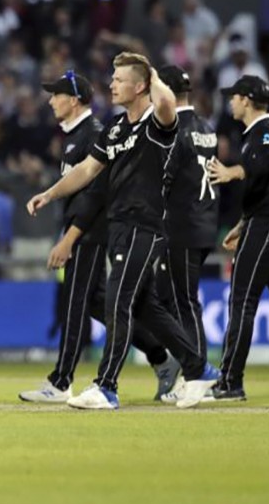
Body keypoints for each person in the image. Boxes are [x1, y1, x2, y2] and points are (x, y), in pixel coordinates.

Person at [27, 52, 218, 410]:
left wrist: (149, 68)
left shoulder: (159, 125)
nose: (111, 84)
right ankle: (199, 368)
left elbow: (165, 102)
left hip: (145, 226)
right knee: (145, 306)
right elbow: (86, 171)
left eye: (119, 79)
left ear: (140, 85)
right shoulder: (115, 127)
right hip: (120, 226)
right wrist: (49, 193)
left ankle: (106, 385)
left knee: (118, 301)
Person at [206, 75, 269, 404]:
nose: (230, 101)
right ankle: (230, 380)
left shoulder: (265, 134)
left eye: (234, 96)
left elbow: (263, 166)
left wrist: (232, 172)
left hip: (268, 225)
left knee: (241, 300)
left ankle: (230, 381)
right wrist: (243, 223)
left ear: (247, 100)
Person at [155, 65, 219, 402]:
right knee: (168, 298)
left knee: (184, 302)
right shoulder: (207, 128)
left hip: (181, 226)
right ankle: (190, 369)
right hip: (204, 222)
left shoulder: (173, 130)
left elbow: (163, 181)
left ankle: (198, 376)